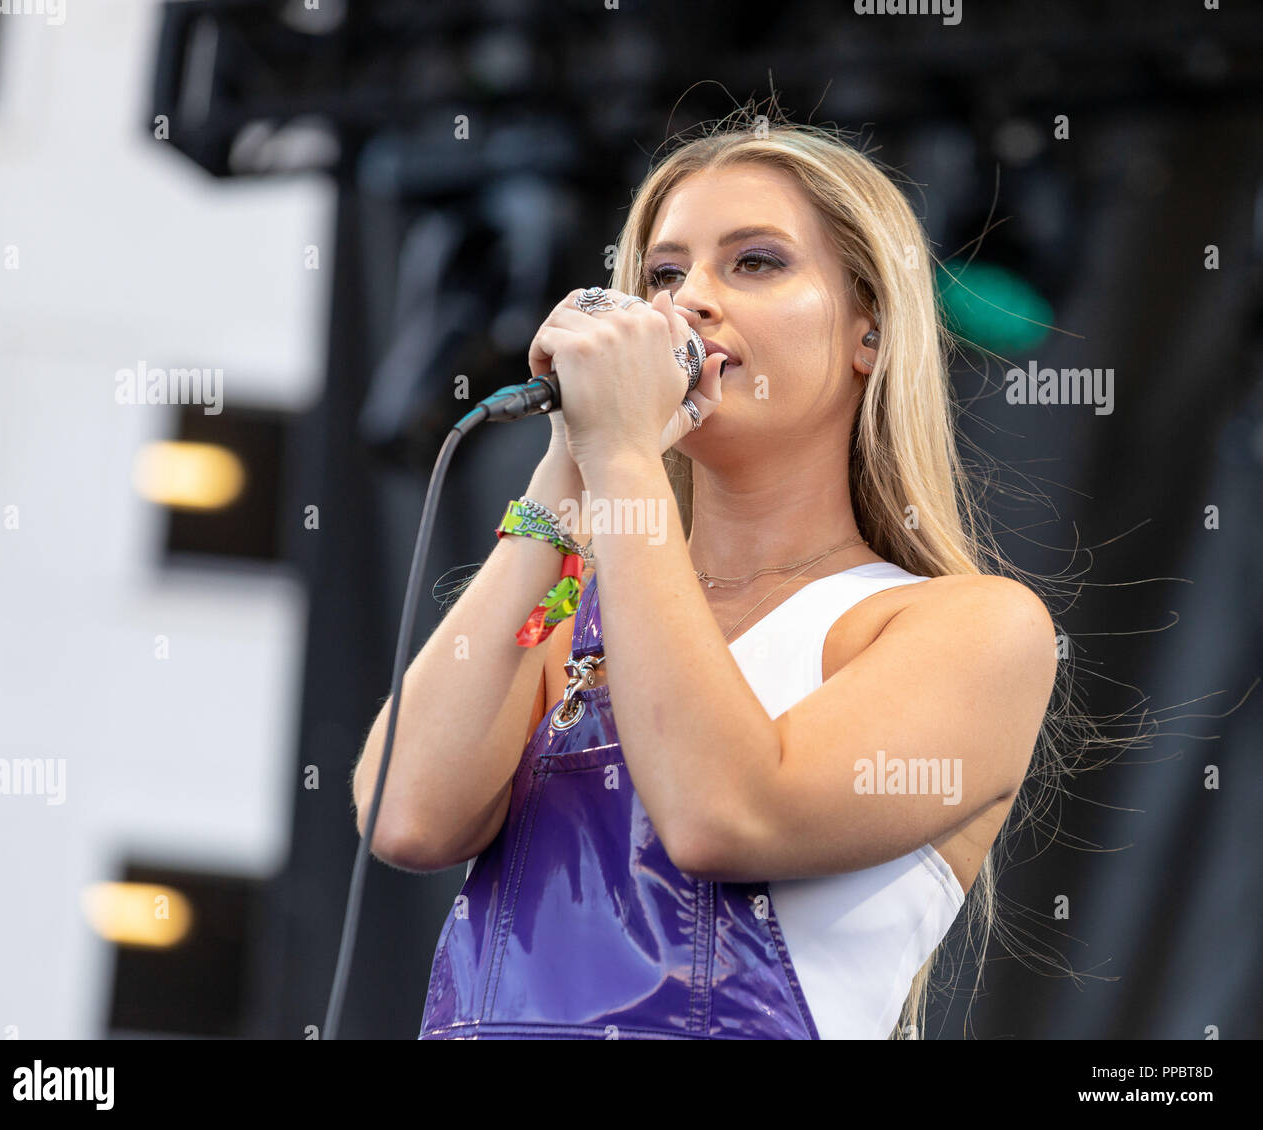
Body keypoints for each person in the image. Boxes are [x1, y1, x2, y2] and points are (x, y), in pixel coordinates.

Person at [352, 116, 1059, 1039]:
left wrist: (626, 457)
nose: (689, 303)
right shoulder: (572, 619)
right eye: (663, 274)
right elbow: (404, 814)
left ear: (870, 334)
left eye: (756, 262)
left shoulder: (971, 629)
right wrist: (567, 464)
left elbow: (723, 816)